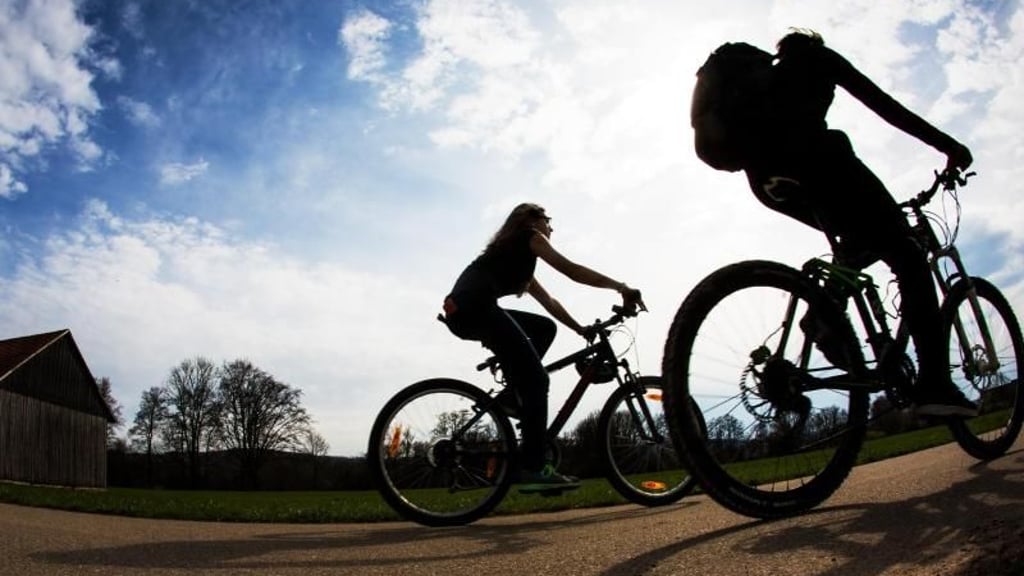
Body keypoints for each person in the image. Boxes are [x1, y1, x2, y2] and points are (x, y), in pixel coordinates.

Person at [743, 29, 976, 417]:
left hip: (767, 183)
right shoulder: (818, 58)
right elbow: (887, 107)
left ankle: (821, 315)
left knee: (859, 241)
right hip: (818, 161)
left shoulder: (764, 83)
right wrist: (948, 146)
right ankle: (934, 384)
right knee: (907, 253)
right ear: (812, 44)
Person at [442, 202, 645, 492]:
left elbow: (550, 303)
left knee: (543, 328)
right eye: (548, 220)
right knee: (537, 380)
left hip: (465, 312)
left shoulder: (516, 256)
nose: (552, 227)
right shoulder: (530, 236)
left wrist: (580, 329)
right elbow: (572, 271)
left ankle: (514, 394)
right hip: (476, 308)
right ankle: (534, 468)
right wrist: (621, 287)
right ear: (531, 219)